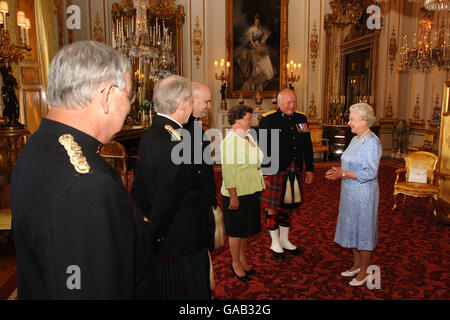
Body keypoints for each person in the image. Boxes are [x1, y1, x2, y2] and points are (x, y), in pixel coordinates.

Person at [10, 40, 155, 299]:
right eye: (130, 95)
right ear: (107, 95)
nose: (130, 105)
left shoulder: (40, 145)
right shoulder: (87, 184)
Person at [131, 75, 214, 300]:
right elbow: (168, 198)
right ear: (181, 103)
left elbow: (138, 189)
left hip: (168, 237)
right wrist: (152, 235)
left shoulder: (151, 133)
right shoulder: (176, 142)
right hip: (180, 240)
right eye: (190, 100)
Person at [325, 103, 382, 287]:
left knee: (363, 231)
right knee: (353, 228)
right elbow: (351, 164)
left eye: (352, 119)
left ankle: (365, 271)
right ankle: (357, 265)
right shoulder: (356, 138)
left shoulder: (372, 142)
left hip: (364, 194)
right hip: (350, 191)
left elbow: (369, 172)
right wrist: (340, 170)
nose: (349, 122)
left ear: (364, 120)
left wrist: (343, 174)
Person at [258, 89, 314, 260]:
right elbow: (263, 148)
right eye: (288, 103)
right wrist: (264, 173)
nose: (292, 106)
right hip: (275, 170)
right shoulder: (268, 120)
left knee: (289, 206)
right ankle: (274, 242)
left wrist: (309, 168)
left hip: (294, 169)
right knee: (273, 207)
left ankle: (284, 240)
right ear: (279, 102)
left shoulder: (301, 119)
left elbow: (307, 145)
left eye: (294, 102)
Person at [220, 105, 266, 282]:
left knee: (245, 229)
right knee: (236, 231)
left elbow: (257, 160)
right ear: (237, 120)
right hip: (236, 192)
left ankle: (242, 259)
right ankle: (235, 263)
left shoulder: (248, 137)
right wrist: (233, 195)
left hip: (250, 189)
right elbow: (229, 171)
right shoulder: (230, 141)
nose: (251, 120)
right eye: (248, 117)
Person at [235, 13, 277, 91]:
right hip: (253, 48)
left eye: (258, 21)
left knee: (266, 56)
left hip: (260, 46)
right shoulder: (252, 29)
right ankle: (259, 74)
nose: (257, 22)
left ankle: (269, 74)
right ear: (254, 22)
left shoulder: (260, 29)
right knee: (258, 59)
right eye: (256, 21)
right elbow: (251, 40)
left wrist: (264, 39)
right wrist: (256, 47)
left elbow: (264, 38)